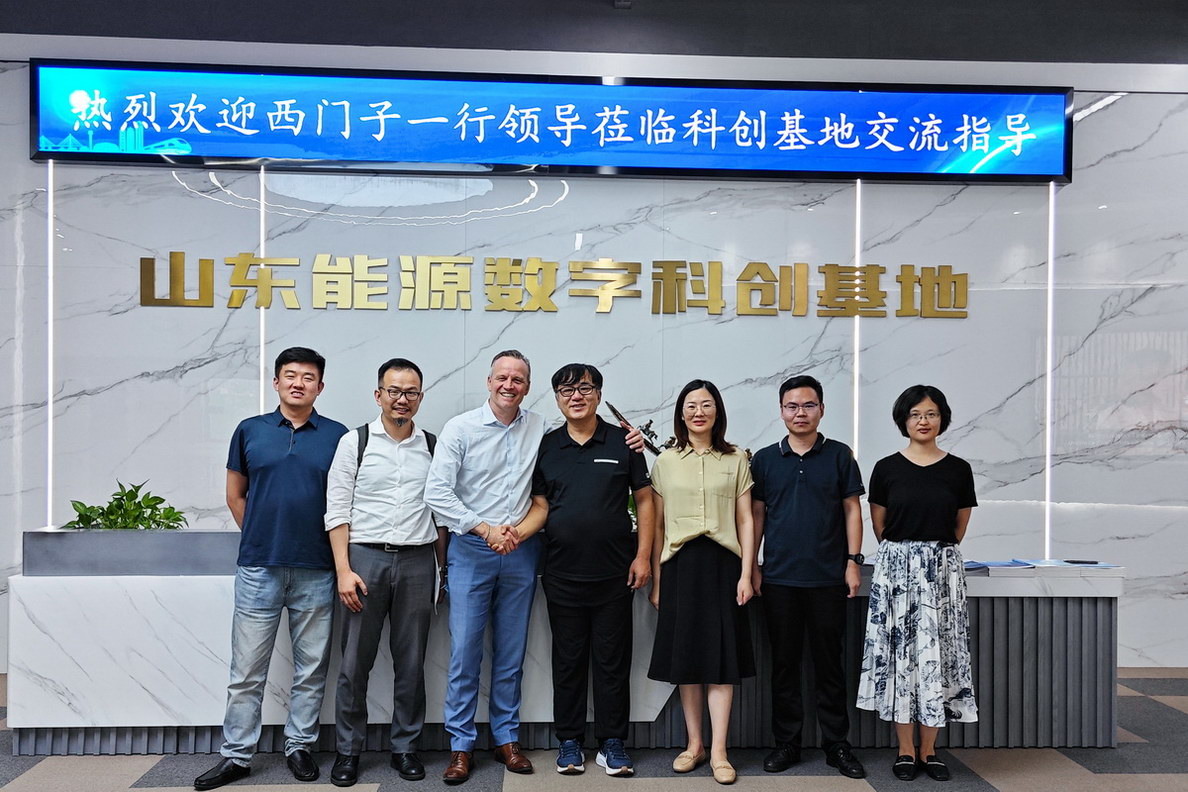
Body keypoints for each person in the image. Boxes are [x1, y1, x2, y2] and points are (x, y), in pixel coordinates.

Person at [424, 350, 645, 785]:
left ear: (527, 387)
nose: (509, 385)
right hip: (472, 548)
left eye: (519, 379)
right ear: (489, 381)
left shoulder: (540, 430)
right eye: (502, 377)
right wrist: (485, 529)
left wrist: (633, 437)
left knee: (511, 653)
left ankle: (506, 739)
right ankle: (461, 746)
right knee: (465, 652)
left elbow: (578, 447)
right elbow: (437, 492)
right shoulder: (460, 428)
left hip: (521, 551)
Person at [195, 347, 348, 791]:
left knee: (311, 669)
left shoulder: (338, 436)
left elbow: (343, 503)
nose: (299, 383)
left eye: (308, 377)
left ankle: (299, 746)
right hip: (258, 569)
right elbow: (235, 495)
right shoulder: (250, 430)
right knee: (246, 672)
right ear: (277, 381)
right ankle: (236, 755)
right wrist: (263, 534)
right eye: (290, 375)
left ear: (320, 386)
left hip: (317, 569)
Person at [517, 363, 655, 777]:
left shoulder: (624, 441)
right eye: (566, 390)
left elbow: (645, 500)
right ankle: (570, 742)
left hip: (615, 574)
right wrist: (512, 534)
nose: (575, 396)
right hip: (561, 573)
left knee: (613, 662)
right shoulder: (546, 446)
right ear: (557, 399)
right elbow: (540, 505)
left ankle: (613, 743)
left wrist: (643, 556)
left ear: (598, 394)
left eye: (584, 388)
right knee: (568, 662)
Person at [322, 358, 447, 786]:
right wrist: (343, 569)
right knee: (354, 664)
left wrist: (442, 568)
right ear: (379, 395)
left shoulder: (432, 446)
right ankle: (348, 752)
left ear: (421, 398)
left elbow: (441, 514)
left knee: (411, 664)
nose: (402, 399)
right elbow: (337, 510)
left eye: (411, 392)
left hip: (418, 561)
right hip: (364, 561)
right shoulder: (353, 442)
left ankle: (405, 748)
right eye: (394, 391)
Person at [856, 384, 978, 782]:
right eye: (915, 414)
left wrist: (930, 555)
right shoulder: (886, 468)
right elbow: (880, 525)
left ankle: (930, 750)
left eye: (931, 414)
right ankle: (906, 750)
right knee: (901, 659)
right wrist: (907, 555)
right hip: (897, 571)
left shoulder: (958, 469)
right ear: (903, 421)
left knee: (938, 657)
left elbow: (958, 527)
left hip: (941, 572)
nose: (923, 421)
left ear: (942, 418)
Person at [750, 375, 866, 779]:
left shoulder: (839, 456)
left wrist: (853, 561)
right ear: (781, 411)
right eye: (792, 406)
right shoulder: (765, 459)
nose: (800, 413)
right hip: (780, 579)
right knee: (784, 665)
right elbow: (757, 514)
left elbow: (852, 509)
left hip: (828, 578)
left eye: (808, 405)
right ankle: (787, 743)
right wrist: (753, 566)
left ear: (822, 409)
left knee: (829, 665)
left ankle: (837, 744)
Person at [647, 379, 756, 786]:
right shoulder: (665, 461)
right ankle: (694, 745)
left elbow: (746, 520)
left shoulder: (736, 459)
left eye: (706, 405)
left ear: (717, 412)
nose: (698, 412)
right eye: (691, 405)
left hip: (724, 565)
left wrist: (746, 573)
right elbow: (658, 526)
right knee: (688, 661)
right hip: (680, 566)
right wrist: (658, 580)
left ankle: (720, 751)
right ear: (681, 413)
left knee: (722, 662)